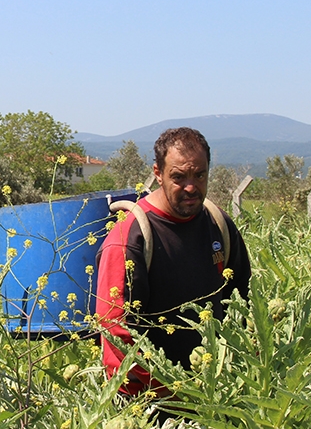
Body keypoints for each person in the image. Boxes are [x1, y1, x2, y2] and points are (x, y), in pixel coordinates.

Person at [95, 127, 251, 397]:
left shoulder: (219, 224)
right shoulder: (131, 237)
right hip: (152, 404)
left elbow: (243, 303)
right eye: (178, 177)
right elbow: (116, 335)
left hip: (216, 395)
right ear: (157, 173)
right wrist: (164, 397)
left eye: (199, 175)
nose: (191, 187)